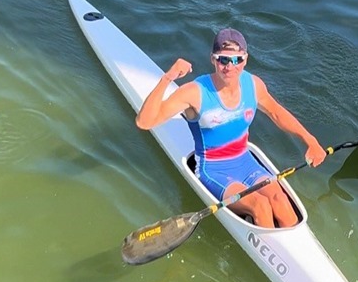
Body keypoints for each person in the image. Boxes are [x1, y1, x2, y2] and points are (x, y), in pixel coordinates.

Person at [135, 28, 327, 228]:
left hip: (245, 161)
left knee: (280, 200)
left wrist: (310, 141)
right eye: (223, 60)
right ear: (213, 59)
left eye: (236, 60)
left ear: (245, 60)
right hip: (213, 169)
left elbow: (276, 113)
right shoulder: (194, 92)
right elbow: (145, 122)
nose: (229, 67)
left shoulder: (254, 84)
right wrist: (168, 78)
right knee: (260, 205)